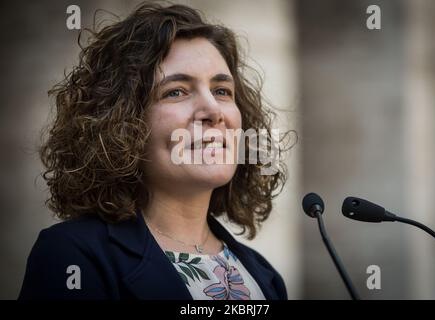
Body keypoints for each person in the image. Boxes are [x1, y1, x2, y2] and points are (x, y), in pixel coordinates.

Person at [19, 2, 291, 300]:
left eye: (222, 91)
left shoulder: (264, 277)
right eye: (176, 92)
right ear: (123, 122)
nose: (213, 111)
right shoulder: (72, 256)